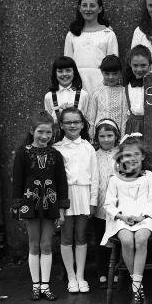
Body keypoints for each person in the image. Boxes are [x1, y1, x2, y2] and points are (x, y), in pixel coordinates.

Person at [101, 135, 152, 304]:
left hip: (147, 217)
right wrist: (121, 216)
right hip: (122, 218)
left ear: (142, 156)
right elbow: (108, 204)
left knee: (140, 239)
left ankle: (135, 290)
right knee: (126, 240)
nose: (131, 158)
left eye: (135, 154)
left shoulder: (149, 177)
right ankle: (138, 289)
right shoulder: (115, 179)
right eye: (126, 155)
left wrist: (143, 216)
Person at [11, 111, 69, 301]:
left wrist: (62, 209)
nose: (44, 136)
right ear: (32, 131)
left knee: (46, 244)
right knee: (34, 244)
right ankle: (35, 285)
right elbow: (17, 182)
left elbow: (61, 183)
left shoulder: (55, 154)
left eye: (48, 133)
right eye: (40, 132)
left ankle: (46, 285)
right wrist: (18, 206)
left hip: (51, 204)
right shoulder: (23, 153)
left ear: (53, 133)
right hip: (30, 203)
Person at [54, 107, 98, 293]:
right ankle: (71, 277)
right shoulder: (56, 148)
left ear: (82, 124)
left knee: (81, 235)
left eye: (76, 122)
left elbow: (94, 177)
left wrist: (93, 200)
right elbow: (55, 179)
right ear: (62, 125)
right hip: (66, 197)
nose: (72, 125)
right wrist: (58, 204)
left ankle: (80, 276)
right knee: (66, 236)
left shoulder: (88, 147)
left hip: (83, 195)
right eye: (68, 122)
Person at [64, 0, 118, 95]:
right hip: (77, 83)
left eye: (92, 6)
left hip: (101, 84)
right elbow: (67, 63)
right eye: (84, 5)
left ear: (100, 9)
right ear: (79, 9)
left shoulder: (108, 34)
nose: (88, 9)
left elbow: (113, 64)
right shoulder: (72, 34)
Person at [91, 118, 120, 287]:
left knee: (116, 239)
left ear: (116, 136)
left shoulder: (122, 154)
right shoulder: (93, 156)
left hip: (118, 204)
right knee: (101, 238)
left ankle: (116, 271)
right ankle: (102, 272)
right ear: (97, 138)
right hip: (100, 204)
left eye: (110, 135)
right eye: (102, 136)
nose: (106, 139)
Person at [87, 54, 128, 137]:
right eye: (107, 73)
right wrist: (91, 137)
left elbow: (125, 119)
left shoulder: (125, 93)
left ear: (120, 73)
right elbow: (91, 119)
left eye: (115, 74)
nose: (111, 77)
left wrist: (123, 139)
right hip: (100, 137)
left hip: (117, 137)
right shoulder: (97, 93)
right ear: (102, 72)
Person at [43, 56, 89, 126]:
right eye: (60, 71)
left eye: (68, 70)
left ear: (74, 73)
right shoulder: (48, 96)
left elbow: (86, 118)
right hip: (57, 135)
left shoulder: (83, 94)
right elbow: (48, 121)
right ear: (55, 74)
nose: (64, 74)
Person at [124, 45, 151, 135]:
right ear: (130, 64)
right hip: (132, 128)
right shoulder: (127, 86)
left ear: (150, 64)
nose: (139, 69)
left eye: (143, 65)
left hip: (151, 127)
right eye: (135, 65)